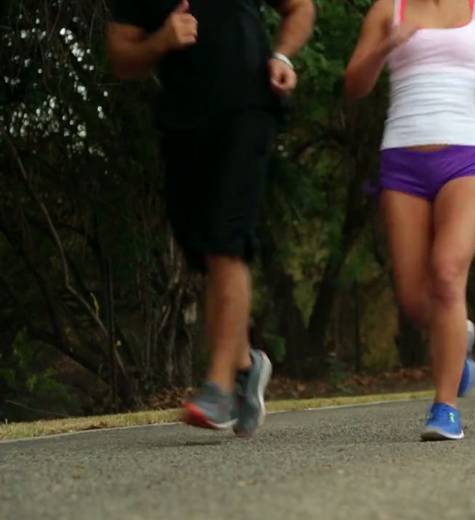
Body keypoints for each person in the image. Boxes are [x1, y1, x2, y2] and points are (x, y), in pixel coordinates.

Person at [106, 0, 315, 436]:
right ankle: (245, 364)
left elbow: (300, 7)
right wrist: (161, 41)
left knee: (226, 238)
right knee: (200, 245)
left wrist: (282, 56)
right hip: (182, 124)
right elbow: (122, 57)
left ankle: (218, 388)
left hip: (248, 108)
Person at [344, 0, 475, 441]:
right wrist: (385, 47)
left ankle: (445, 407)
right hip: (402, 164)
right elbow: (353, 86)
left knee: (447, 272)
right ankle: (455, 341)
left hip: (467, 158)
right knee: (414, 300)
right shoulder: (387, 10)